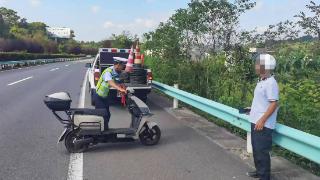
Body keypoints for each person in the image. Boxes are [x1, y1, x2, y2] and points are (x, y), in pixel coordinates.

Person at [246, 54, 279, 180]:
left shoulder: (271, 83)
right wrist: (252, 109)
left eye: (259, 64)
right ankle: (259, 171)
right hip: (255, 120)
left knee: (262, 151)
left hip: (263, 124)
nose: (257, 66)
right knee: (256, 150)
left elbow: (274, 103)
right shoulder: (262, 81)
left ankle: (264, 176)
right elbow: (262, 101)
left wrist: (262, 120)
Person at [94, 57, 127, 129]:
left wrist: (122, 87)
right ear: (117, 65)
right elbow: (111, 82)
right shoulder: (108, 72)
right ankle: (101, 134)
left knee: (108, 115)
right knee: (103, 116)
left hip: (105, 96)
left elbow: (118, 82)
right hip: (99, 97)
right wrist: (120, 89)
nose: (123, 67)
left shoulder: (115, 72)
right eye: (122, 66)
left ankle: (105, 130)